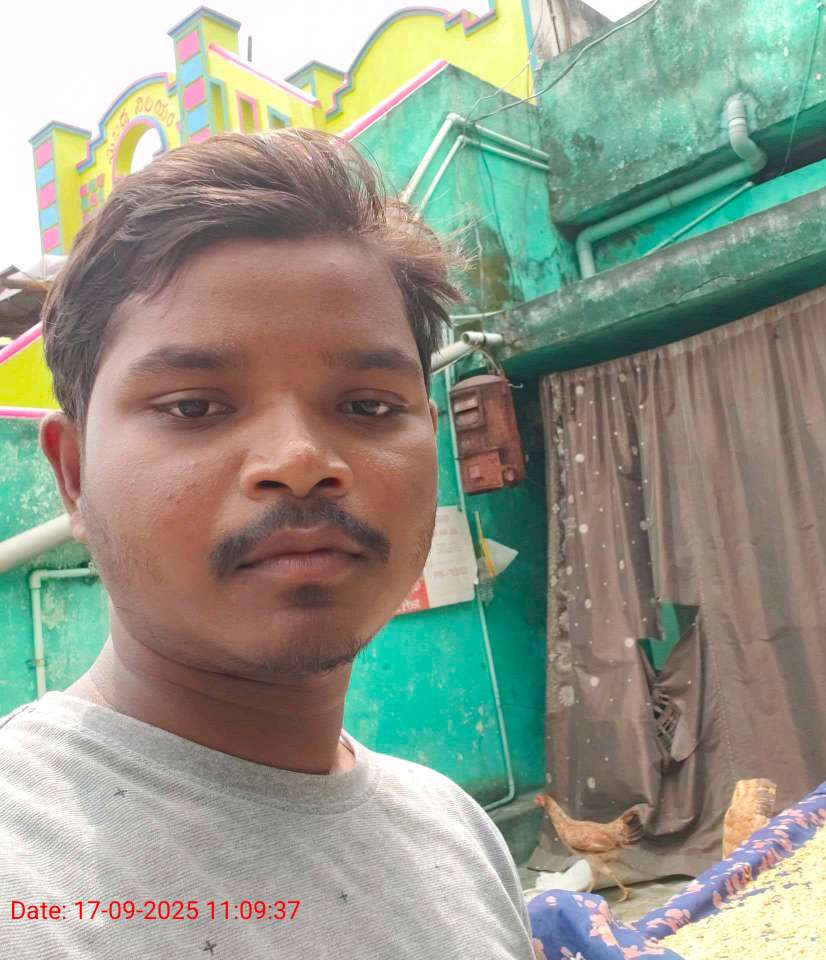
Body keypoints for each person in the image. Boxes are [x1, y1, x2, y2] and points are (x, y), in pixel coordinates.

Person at [0, 129, 536, 959]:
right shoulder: (26, 879)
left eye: (367, 406)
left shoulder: (458, 835)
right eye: (194, 407)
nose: (300, 461)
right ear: (74, 475)